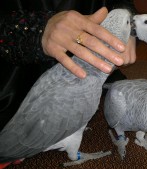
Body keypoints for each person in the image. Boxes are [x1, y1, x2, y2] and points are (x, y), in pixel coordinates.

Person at [0, 0, 137, 130]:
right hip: (17, 95)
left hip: (99, 89)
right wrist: (36, 28)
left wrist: (128, 24)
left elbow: (122, 2)